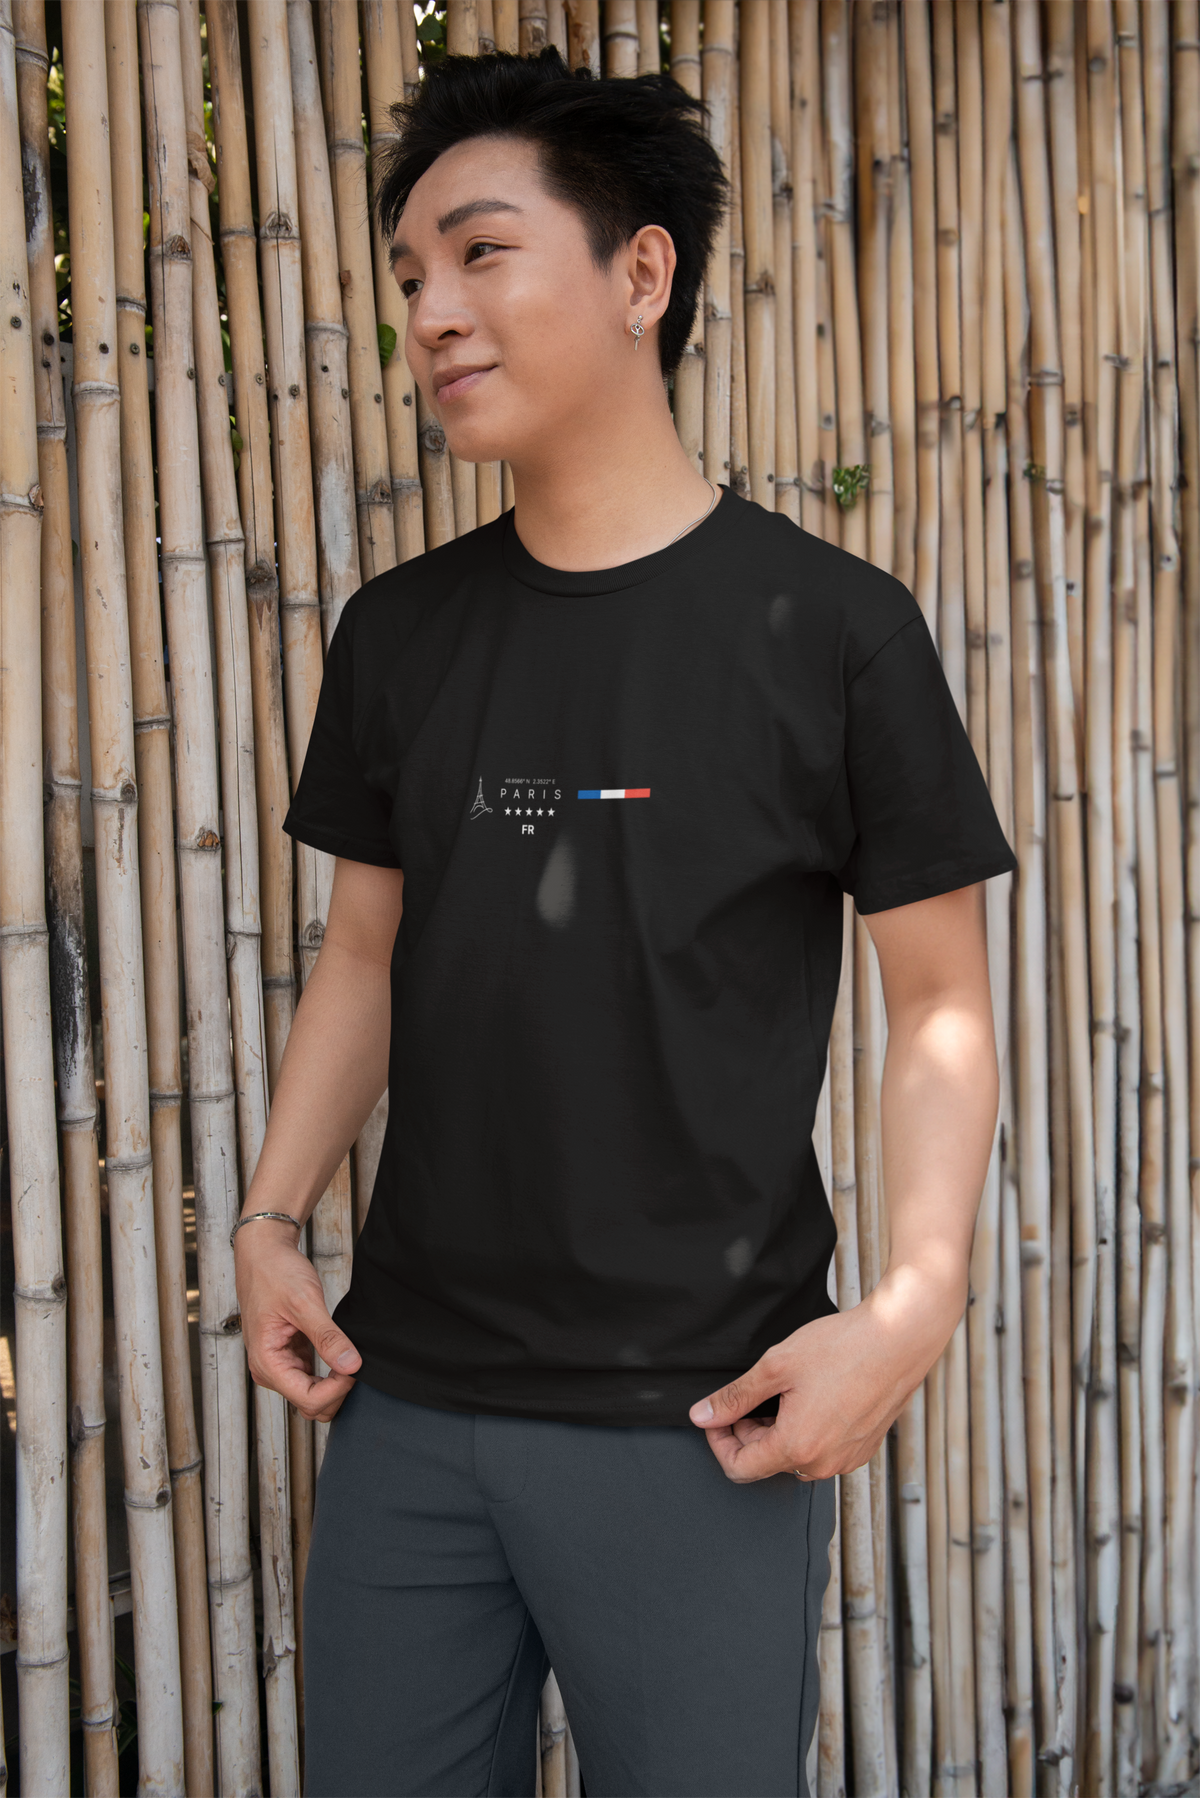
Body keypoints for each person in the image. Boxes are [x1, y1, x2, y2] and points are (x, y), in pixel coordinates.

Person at [233, 46, 1016, 1798]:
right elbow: (366, 952)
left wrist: (909, 1307)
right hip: (407, 1413)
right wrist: (275, 1214)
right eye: (410, 276)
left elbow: (943, 1002)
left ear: (641, 272)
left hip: (699, 1426)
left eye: (482, 252)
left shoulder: (836, 634)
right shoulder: (401, 636)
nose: (432, 311)